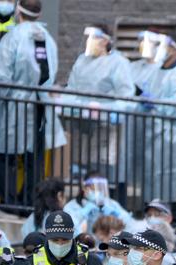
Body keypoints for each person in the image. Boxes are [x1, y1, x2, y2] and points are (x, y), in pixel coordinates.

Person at [0, 0, 65, 206]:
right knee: (34, 157)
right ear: (39, 15)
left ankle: (8, 201)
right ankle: (29, 202)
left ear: (18, 11)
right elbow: (50, 74)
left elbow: (1, 77)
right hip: (40, 106)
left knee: (7, 155)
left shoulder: (12, 37)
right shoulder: (48, 39)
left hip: (14, 103)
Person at [64, 25, 135, 200]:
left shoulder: (118, 63)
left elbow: (126, 95)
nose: (89, 41)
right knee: (86, 167)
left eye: (93, 37)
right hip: (84, 124)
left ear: (105, 41)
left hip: (109, 126)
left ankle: (112, 203)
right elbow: (71, 89)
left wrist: (111, 110)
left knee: (107, 167)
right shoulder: (81, 61)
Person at [139, 33, 176, 205]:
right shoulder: (156, 71)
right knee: (153, 177)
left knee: (172, 179)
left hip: (174, 136)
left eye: (161, 45)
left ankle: (175, 219)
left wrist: (156, 104)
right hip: (153, 133)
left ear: (173, 49)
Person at [64, 173, 132, 233]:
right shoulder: (72, 206)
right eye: (95, 188)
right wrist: (82, 214)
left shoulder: (111, 204)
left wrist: (118, 214)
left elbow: (130, 224)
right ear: (85, 188)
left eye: (101, 188)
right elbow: (68, 229)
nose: (99, 192)